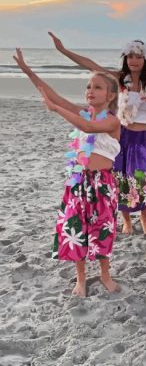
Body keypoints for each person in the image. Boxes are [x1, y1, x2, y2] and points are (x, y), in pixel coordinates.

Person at [13, 48, 121, 297]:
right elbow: (54, 96)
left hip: (102, 183)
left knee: (102, 229)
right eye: (88, 86)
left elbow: (88, 126)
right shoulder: (83, 113)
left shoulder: (112, 121)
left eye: (97, 87)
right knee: (76, 228)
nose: (90, 90)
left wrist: (56, 109)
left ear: (111, 95)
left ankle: (105, 275)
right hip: (78, 180)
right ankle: (80, 278)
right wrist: (28, 71)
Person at [48, 32, 146, 235]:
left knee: (143, 180)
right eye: (130, 56)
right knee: (121, 179)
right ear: (126, 58)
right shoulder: (117, 79)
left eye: (138, 56)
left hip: (141, 140)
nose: (134, 60)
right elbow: (90, 65)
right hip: (121, 137)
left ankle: (144, 218)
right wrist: (63, 50)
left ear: (145, 59)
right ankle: (126, 221)